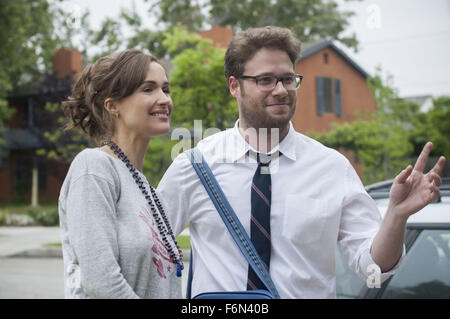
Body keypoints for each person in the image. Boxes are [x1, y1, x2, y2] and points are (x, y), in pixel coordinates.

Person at [157, 26, 446, 298]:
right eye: (265, 80)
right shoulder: (194, 166)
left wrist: (396, 215)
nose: (281, 90)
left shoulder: (332, 168)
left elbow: (372, 270)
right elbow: (151, 253)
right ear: (235, 86)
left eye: (287, 79)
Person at [58, 49, 182, 298]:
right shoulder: (93, 169)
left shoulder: (143, 185)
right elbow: (100, 281)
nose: (164, 99)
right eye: (148, 89)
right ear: (113, 105)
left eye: (165, 90)